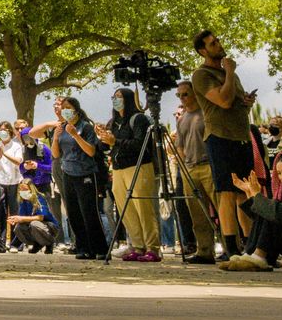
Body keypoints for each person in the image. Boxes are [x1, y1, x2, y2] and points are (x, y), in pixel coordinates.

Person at [191, 30, 256, 259]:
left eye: (218, 41)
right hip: (220, 138)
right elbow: (224, 101)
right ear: (203, 51)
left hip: (241, 136)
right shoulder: (201, 75)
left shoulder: (232, 76)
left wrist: (246, 102)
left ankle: (250, 244)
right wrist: (229, 72)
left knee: (245, 192)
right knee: (226, 193)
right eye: (213, 43)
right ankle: (231, 247)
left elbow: (235, 102)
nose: (219, 45)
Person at [223, 151, 282, 271]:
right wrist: (250, 193)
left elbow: (278, 212)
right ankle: (251, 254)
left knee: (273, 210)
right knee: (270, 208)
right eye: (279, 173)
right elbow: (260, 217)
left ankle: (259, 257)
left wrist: (256, 194)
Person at [99, 87, 160, 262]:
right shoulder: (114, 122)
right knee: (126, 209)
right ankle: (138, 246)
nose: (116, 100)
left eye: (119, 97)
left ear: (128, 99)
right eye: (114, 97)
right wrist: (103, 138)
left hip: (138, 166)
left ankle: (153, 248)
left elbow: (140, 144)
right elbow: (106, 147)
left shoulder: (138, 119)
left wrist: (115, 141)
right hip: (118, 169)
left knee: (143, 207)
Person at [49, 96, 106, 259]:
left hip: (85, 173)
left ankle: (100, 248)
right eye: (63, 108)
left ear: (76, 109)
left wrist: (75, 135)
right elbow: (55, 153)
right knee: (73, 213)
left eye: (68, 107)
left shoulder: (85, 127)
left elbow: (91, 151)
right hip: (68, 173)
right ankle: (83, 247)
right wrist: (55, 137)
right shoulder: (62, 128)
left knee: (89, 212)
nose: (64, 110)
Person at [172, 80, 218, 264]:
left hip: (208, 165)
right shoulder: (182, 119)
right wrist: (185, 163)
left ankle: (232, 246)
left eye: (185, 94)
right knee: (196, 213)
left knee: (220, 208)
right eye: (179, 95)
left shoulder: (207, 113)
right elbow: (179, 145)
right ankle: (204, 250)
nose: (182, 98)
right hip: (190, 168)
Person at [0, 120, 24, 240]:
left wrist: (4, 154)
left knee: (14, 212)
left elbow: (19, 161)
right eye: (1, 130)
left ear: (10, 131)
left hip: (14, 181)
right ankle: (0, 240)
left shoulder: (16, 145)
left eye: (6, 130)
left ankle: (15, 242)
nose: (3, 132)